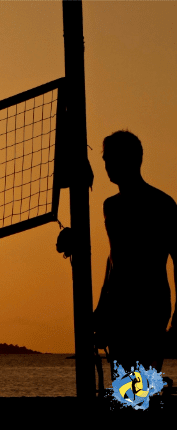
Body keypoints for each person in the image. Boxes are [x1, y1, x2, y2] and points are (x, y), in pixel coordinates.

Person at [93, 130, 177, 373]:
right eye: (105, 158)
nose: (106, 164)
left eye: (110, 157)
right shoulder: (111, 206)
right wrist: (101, 308)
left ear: (131, 159)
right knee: (125, 386)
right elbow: (113, 259)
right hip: (118, 307)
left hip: (150, 305)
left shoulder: (162, 204)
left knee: (140, 389)